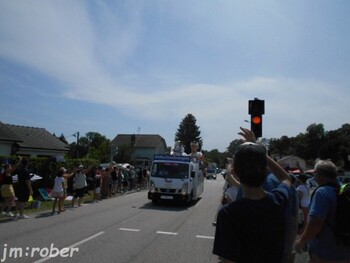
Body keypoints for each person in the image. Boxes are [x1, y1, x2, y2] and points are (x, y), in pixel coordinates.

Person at [213, 128, 292, 263]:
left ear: (235, 171)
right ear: (265, 169)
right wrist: (259, 150)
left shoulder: (228, 213)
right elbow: (286, 178)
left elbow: (228, 260)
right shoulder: (278, 200)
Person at [295, 160, 350, 262]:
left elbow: (316, 222)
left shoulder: (322, 192)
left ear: (320, 174)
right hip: (344, 250)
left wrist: (301, 241)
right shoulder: (343, 189)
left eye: (315, 174)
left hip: (324, 252)